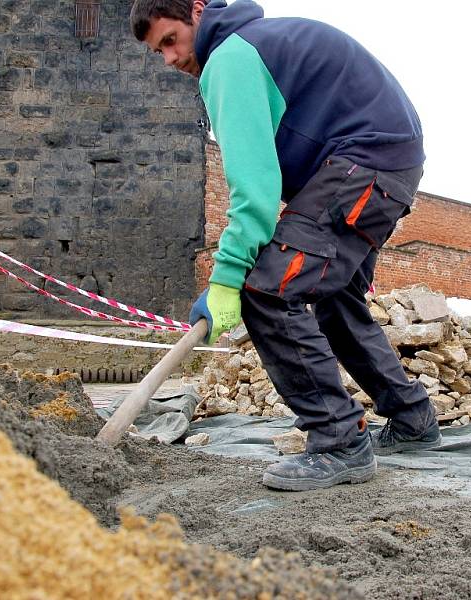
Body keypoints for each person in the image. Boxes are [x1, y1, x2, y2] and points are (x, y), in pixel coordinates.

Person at [130, 0, 441, 491]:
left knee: (267, 290)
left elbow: (253, 193)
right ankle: (413, 421)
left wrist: (227, 280)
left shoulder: (231, 57)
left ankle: (339, 441)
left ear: (197, 9)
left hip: (363, 163)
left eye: (170, 39)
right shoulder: (261, 43)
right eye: (157, 52)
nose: (169, 59)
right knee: (333, 298)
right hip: (385, 164)